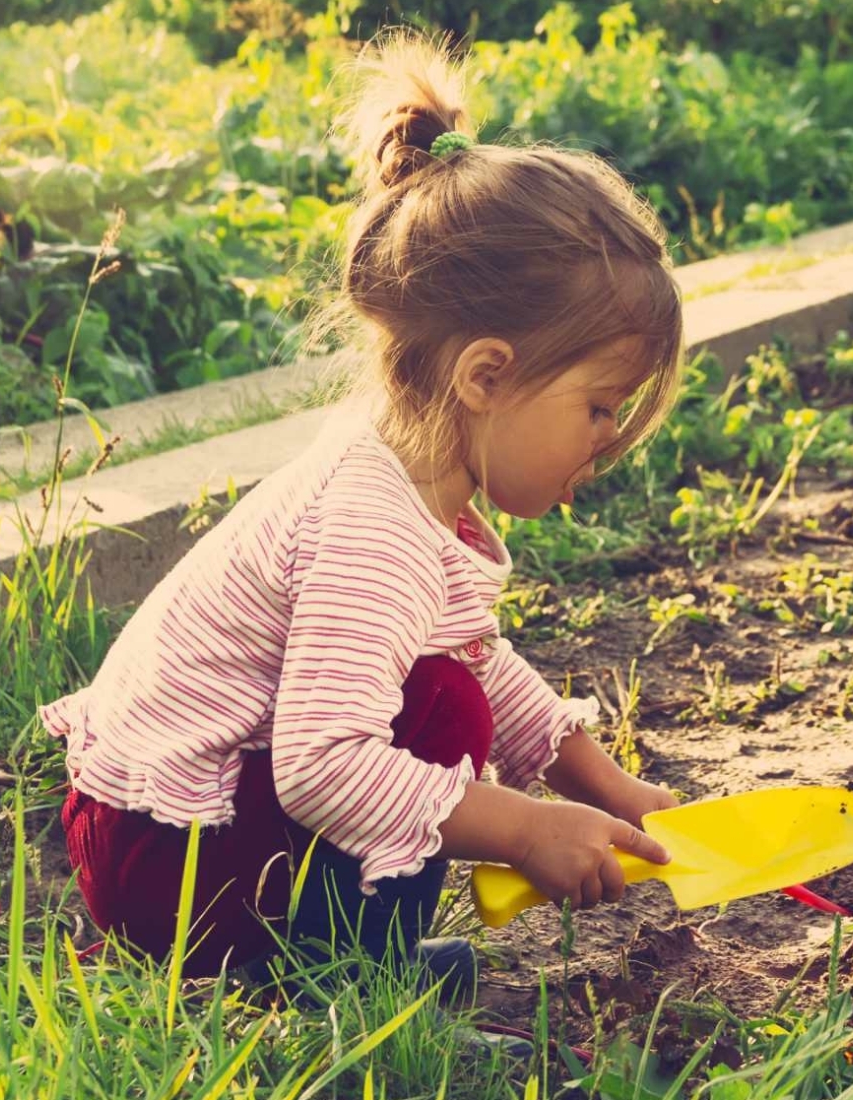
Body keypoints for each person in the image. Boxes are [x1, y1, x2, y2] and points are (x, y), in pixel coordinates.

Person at [46, 33, 683, 999]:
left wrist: (608, 791)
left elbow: (472, 649)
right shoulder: (372, 526)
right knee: (438, 711)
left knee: (444, 687)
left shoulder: (409, 479)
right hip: (168, 862)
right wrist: (522, 826)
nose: (608, 440)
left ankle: (323, 952)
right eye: (599, 407)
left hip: (171, 839)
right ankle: (329, 980)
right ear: (486, 375)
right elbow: (320, 767)